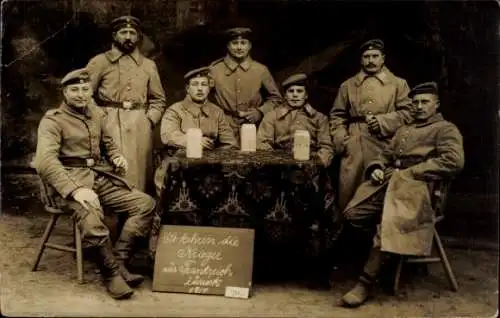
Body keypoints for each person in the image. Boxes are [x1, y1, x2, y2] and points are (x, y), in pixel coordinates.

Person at [33, 68, 156, 299]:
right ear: (65, 92)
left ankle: (119, 261)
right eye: (75, 90)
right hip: (69, 181)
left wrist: (116, 156)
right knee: (92, 219)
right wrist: (76, 190)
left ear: (91, 90)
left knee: (144, 204)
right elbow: (45, 160)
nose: (81, 95)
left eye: (85, 89)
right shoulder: (52, 121)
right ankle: (110, 273)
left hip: (98, 177)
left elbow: (108, 142)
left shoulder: (95, 112)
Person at [339, 82, 465, 307]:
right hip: (390, 183)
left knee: (386, 224)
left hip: (421, 190)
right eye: (415, 102)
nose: (419, 106)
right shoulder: (405, 128)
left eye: (424, 102)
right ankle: (389, 255)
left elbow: (453, 161)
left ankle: (364, 283)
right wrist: (377, 167)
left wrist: (413, 172)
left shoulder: (445, 129)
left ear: (436, 104)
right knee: (352, 214)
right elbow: (385, 154)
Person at [86, 15, 167, 193]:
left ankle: (139, 215)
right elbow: (86, 95)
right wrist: (101, 118)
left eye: (132, 33)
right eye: (123, 32)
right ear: (115, 35)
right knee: (113, 168)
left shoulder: (148, 65)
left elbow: (159, 99)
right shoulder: (99, 61)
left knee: (139, 173)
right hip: (110, 122)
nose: (128, 37)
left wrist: (149, 121)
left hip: (140, 126)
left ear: (138, 37)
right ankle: (111, 217)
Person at [329, 39, 413, 211]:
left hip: (384, 144)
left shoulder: (398, 84)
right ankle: (350, 233)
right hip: (354, 143)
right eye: (366, 57)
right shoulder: (348, 85)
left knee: (379, 191)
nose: (371, 60)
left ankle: (379, 235)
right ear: (361, 60)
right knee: (349, 190)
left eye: (375, 56)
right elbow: (337, 115)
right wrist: (340, 138)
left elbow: (408, 113)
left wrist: (383, 121)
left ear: (383, 58)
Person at [209, 27, 282, 142]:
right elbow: (202, 96)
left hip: (254, 126)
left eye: (243, 43)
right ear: (228, 46)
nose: (239, 47)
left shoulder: (260, 70)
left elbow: (276, 98)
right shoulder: (215, 70)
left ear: (249, 46)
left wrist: (260, 112)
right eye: (234, 43)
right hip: (223, 127)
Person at [257, 73, 334, 167]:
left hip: (311, 166)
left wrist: (316, 164)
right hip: (280, 167)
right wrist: (276, 163)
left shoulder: (319, 118)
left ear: (306, 95)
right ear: (285, 95)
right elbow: (262, 143)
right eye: (291, 91)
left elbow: (326, 147)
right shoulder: (272, 117)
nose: (295, 95)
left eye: (299, 91)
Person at [160, 66, 238, 152]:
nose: (200, 89)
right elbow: (168, 136)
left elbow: (230, 142)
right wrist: (194, 141)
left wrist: (216, 155)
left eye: (204, 84)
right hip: (181, 160)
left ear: (208, 89)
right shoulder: (174, 110)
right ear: (188, 89)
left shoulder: (217, 112)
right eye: (195, 84)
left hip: (210, 161)